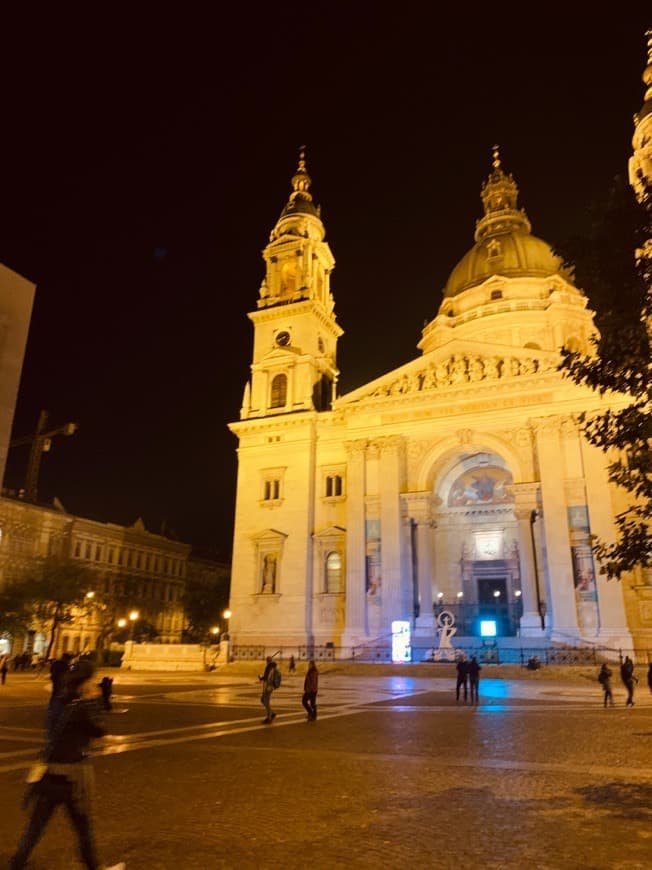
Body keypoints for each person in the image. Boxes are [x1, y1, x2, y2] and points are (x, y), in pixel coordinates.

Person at [9, 659, 125, 870]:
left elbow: (52, 728)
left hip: (49, 771)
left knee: (36, 825)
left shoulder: (59, 700)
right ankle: (94, 867)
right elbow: (98, 730)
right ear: (87, 680)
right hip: (72, 775)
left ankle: (17, 863)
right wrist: (95, 701)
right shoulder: (82, 706)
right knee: (82, 826)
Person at [258, 656, 278, 724]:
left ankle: (269, 718)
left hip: (268, 687)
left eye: (266, 661)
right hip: (268, 686)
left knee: (266, 701)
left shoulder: (269, 667)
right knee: (263, 700)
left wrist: (261, 678)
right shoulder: (272, 667)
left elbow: (267, 677)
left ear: (268, 661)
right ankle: (272, 713)